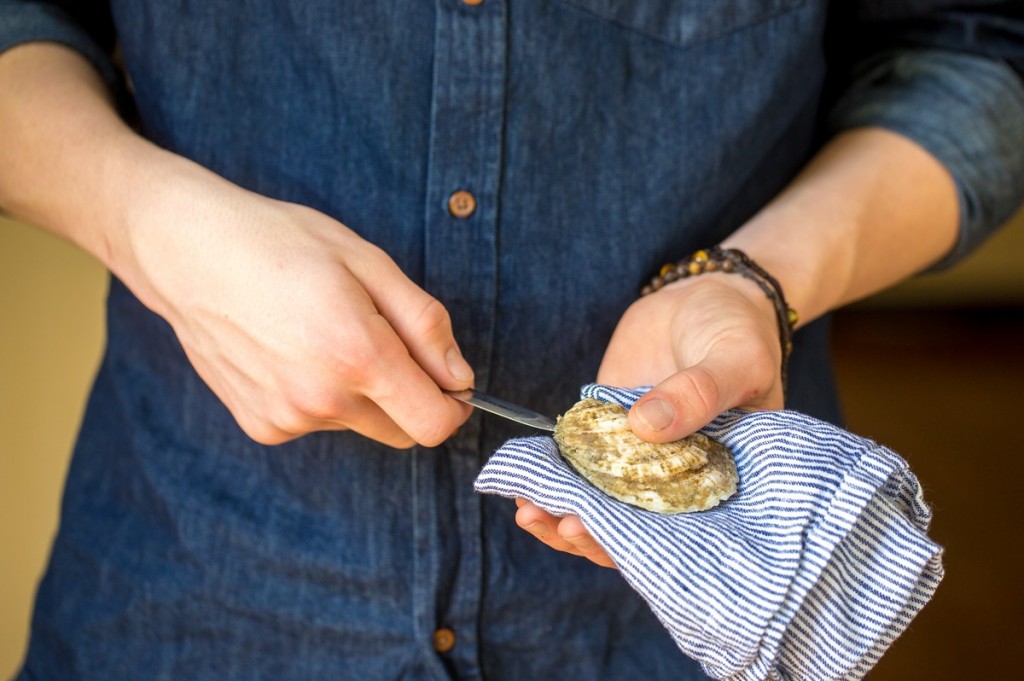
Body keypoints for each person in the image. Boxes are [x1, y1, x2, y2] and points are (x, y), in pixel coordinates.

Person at [1, 1, 1022, 678]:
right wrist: (145, 219)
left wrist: (757, 279)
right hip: (192, 599)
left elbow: (975, 52)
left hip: (659, 639)